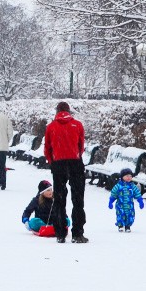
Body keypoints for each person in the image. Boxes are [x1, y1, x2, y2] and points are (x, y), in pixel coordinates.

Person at [44, 101, 88, 243]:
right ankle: (78, 233)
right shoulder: (78, 125)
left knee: (59, 199)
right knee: (78, 199)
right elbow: (81, 146)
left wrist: (53, 161)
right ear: (69, 112)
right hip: (75, 163)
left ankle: (61, 233)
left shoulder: (51, 127)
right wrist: (75, 155)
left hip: (59, 163)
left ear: (57, 112)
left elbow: (47, 149)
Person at [109, 168, 144, 232]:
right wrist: (111, 202)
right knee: (120, 215)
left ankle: (128, 226)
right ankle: (120, 226)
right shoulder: (118, 186)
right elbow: (113, 193)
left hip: (129, 205)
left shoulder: (132, 186)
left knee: (130, 215)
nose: (129, 178)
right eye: (127, 176)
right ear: (122, 177)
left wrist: (140, 201)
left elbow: (137, 193)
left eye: (130, 176)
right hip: (120, 205)